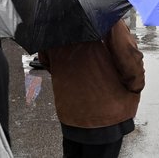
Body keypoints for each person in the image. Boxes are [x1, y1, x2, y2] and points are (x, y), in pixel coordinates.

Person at [39, 18, 145, 158]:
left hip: (70, 113)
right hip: (104, 116)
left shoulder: (51, 21)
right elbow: (130, 61)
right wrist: (136, 86)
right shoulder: (106, 16)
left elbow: (45, 60)